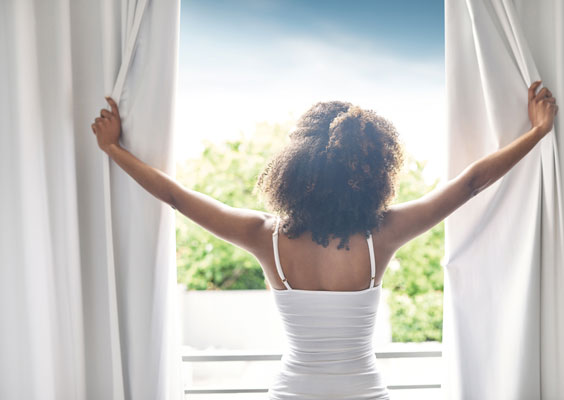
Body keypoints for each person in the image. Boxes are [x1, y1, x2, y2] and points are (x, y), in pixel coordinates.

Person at [91, 80, 557, 399]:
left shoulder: (263, 236)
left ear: (294, 169)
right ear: (373, 172)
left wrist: (114, 148)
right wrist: (538, 132)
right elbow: (471, 184)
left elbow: (175, 196)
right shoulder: (383, 234)